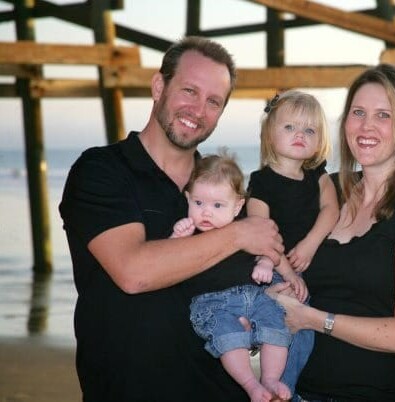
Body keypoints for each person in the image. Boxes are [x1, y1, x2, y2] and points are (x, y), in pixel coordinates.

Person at [59, 36, 283, 402]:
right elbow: (134, 272)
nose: (198, 109)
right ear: (159, 86)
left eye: (214, 101)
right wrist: (239, 235)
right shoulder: (102, 170)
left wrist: (252, 321)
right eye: (189, 91)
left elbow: (250, 280)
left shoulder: (220, 192)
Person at [271, 63, 395, 401]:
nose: (366, 126)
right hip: (294, 391)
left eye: (383, 115)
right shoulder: (329, 192)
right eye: (358, 112)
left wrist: (314, 319)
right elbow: (275, 249)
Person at [171, 152, 294, 402]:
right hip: (211, 304)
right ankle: (251, 385)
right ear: (188, 198)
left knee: (276, 324)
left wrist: (266, 263)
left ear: (237, 206)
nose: (206, 213)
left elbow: (271, 250)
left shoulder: (246, 231)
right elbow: (171, 263)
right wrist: (176, 239)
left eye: (218, 206)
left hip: (253, 296)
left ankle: (270, 378)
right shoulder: (190, 235)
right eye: (198, 203)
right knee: (229, 338)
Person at [246, 90, 339, 394]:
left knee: (299, 331)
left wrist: (311, 243)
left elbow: (331, 209)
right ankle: (280, 389)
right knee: (296, 333)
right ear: (269, 134)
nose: (300, 134)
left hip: (304, 263)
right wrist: (286, 269)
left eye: (309, 130)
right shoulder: (261, 181)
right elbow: (260, 233)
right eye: (289, 127)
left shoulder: (316, 174)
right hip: (273, 265)